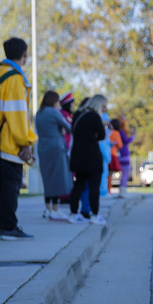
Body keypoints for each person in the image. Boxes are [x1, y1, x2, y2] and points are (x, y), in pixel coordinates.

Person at [0, 38, 38, 241]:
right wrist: (25, 142)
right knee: (10, 186)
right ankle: (9, 227)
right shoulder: (16, 78)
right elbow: (17, 114)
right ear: (24, 55)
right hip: (11, 143)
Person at [68, 95, 108, 225]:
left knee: (78, 185)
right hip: (92, 156)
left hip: (78, 155)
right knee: (94, 187)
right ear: (98, 105)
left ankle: (73, 213)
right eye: (103, 106)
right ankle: (94, 214)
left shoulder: (78, 115)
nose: (104, 109)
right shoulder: (95, 117)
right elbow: (102, 135)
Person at [35, 90, 73, 220]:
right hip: (56, 148)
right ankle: (55, 209)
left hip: (43, 148)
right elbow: (68, 127)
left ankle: (47, 208)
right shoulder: (54, 112)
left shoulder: (38, 114)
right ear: (53, 101)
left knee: (47, 178)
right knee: (57, 178)